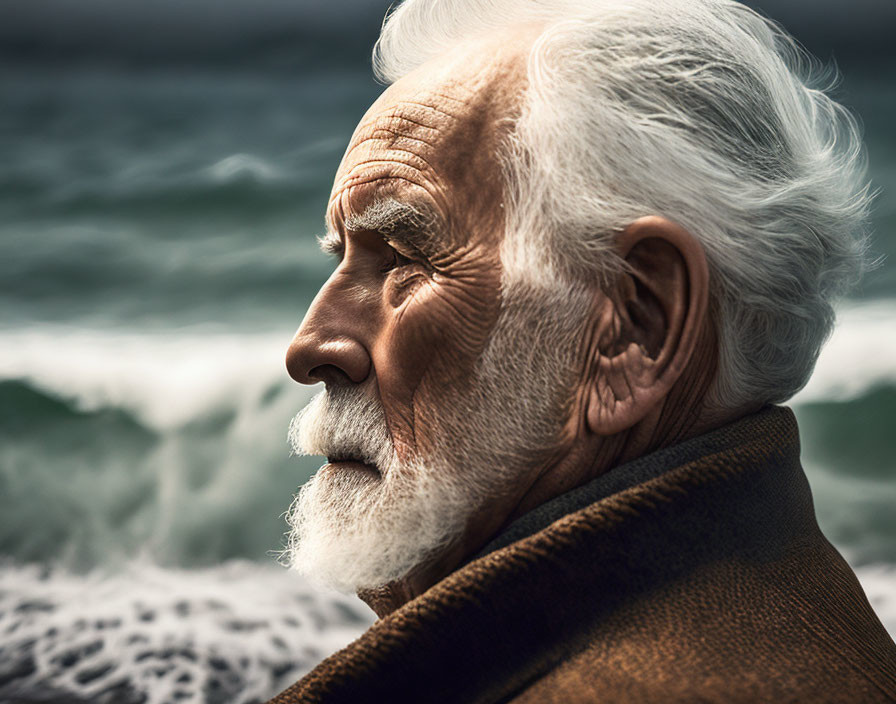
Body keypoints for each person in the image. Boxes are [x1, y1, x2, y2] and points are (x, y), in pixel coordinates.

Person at [270, 0, 896, 701]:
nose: (311, 346)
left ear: (635, 328)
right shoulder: (786, 600)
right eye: (343, 256)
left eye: (407, 260)